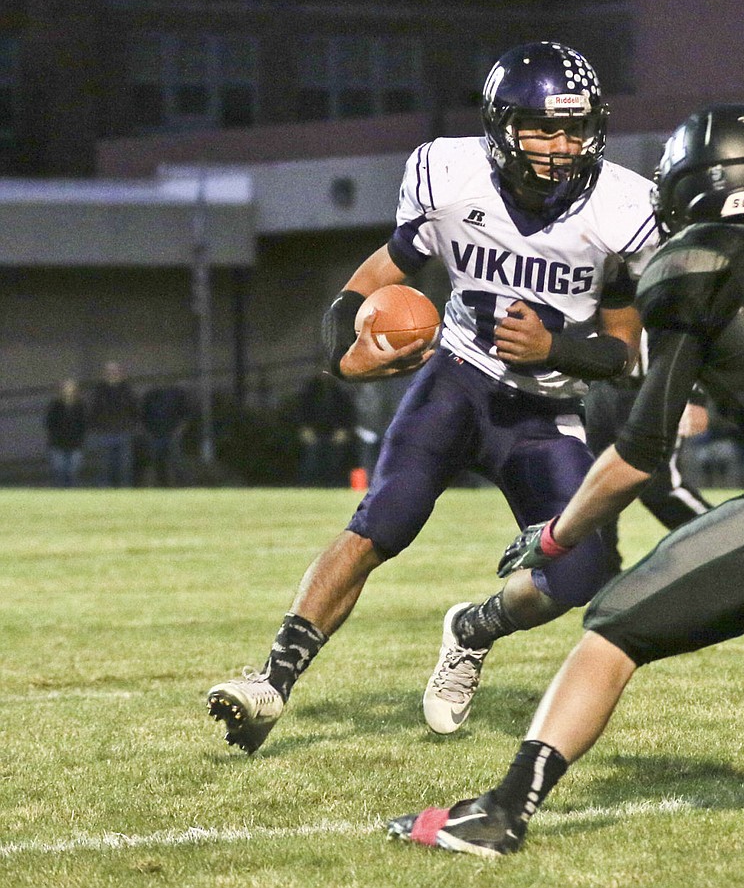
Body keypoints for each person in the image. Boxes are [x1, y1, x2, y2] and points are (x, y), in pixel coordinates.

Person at [387, 103, 744, 856]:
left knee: (611, 626)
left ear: (696, 186)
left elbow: (639, 453)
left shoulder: (693, 262)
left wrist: (557, 536)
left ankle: (501, 811)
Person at [206, 41, 655, 752]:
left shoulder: (622, 207)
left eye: (575, 128)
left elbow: (626, 352)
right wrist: (342, 357)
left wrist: (558, 349)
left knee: (583, 571)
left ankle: (473, 629)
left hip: (543, 411)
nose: (562, 146)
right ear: (502, 126)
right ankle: (272, 681)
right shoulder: (451, 176)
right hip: (459, 378)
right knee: (383, 518)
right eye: (543, 127)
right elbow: (374, 274)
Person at [584, 335, 713, 558]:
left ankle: (728, 541)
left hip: (653, 386)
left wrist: (694, 395)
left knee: (659, 488)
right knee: (592, 489)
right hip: (598, 388)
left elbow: (689, 332)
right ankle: (602, 576)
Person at [295, 371, 355, 487]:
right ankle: (308, 485)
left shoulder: (339, 392)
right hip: (314, 431)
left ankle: (333, 484)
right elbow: (301, 411)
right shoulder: (310, 391)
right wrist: (305, 429)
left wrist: (343, 430)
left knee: (336, 457)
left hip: (334, 432)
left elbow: (347, 413)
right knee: (312, 457)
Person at [87, 361, 139, 487]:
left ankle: (125, 495)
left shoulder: (128, 391)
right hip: (104, 433)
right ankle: (105, 495)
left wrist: (132, 427)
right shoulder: (98, 391)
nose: (112, 374)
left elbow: (136, 410)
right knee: (104, 468)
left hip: (124, 432)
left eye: (115, 371)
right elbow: (92, 411)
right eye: (109, 371)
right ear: (104, 374)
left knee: (125, 468)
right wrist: (96, 429)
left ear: (121, 373)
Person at [141, 382, 191, 487]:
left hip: (173, 434)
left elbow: (185, 415)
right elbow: (143, 416)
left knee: (177, 462)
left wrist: (179, 431)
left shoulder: (177, 395)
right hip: (155, 435)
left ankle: (182, 486)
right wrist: (148, 433)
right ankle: (161, 486)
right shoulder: (150, 396)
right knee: (157, 463)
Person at [44, 378, 87, 487]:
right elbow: (49, 423)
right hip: (57, 443)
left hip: (75, 443)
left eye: (70, 388)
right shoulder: (55, 405)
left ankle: (71, 494)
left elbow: (84, 424)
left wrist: (80, 438)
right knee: (59, 471)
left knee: (72, 471)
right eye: (66, 388)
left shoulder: (80, 406)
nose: (68, 390)